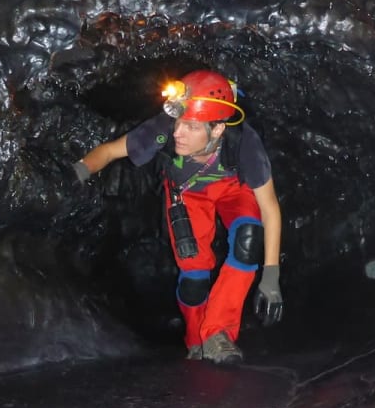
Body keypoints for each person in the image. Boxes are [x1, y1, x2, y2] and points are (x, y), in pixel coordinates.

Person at [73, 69, 283, 363]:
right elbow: (109, 152)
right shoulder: (162, 128)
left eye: (192, 127)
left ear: (217, 129)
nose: (178, 133)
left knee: (248, 238)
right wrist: (77, 172)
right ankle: (196, 341)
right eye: (178, 122)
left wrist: (271, 276)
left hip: (234, 190)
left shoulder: (244, 142)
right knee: (194, 274)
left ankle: (218, 334)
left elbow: (269, 208)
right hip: (188, 193)